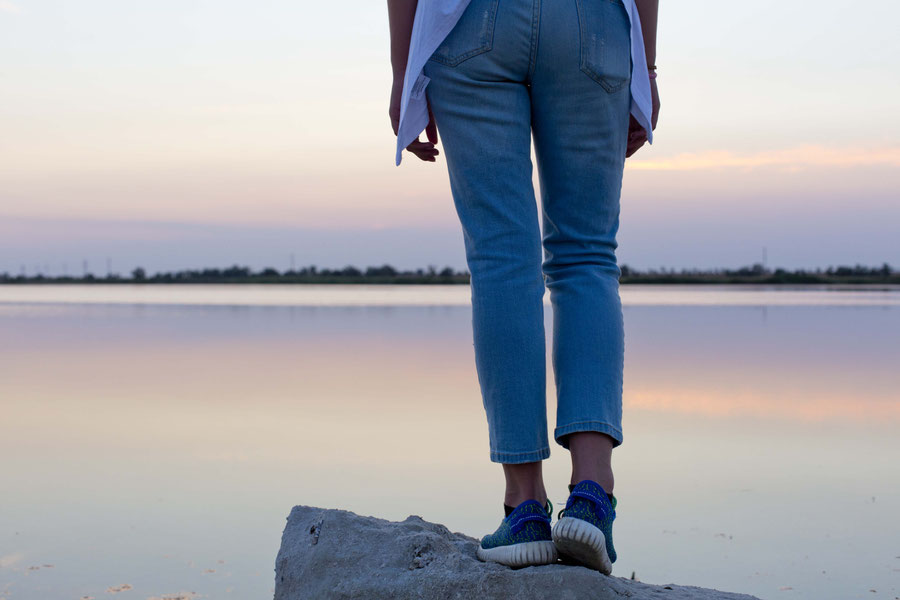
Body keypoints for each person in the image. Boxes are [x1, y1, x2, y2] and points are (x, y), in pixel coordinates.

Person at [388, 0, 659, 573]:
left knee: (501, 259)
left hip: (470, 23)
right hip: (594, 23)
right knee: (586, 254)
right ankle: (591, 496)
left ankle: (525, 507)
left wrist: (403, 73)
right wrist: (647, 68)